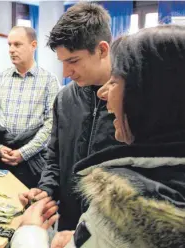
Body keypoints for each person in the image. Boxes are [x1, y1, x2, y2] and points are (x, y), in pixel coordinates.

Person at [13, 25, 185, 248]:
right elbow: (55, 156)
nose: (105, 93)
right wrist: (81, 233)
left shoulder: (127, 209)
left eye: (116, 82)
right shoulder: (65, 99)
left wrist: (29, 231)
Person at [20, 2, 121, 231]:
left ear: (103, 50)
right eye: (62, 62)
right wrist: (46, 190)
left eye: (73, 61)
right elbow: (55, 157)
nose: (66, 73)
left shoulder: (131, 99)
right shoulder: (65, 99)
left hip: (110, 231)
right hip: (68, 223)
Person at [0, 26, 59, 189]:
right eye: (9, 45)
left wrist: (23, 153)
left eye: (17, 44)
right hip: (0, 159)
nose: (11, 50)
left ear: (33, 45)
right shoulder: (1, 78)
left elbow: (51, 125)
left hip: (33, 163)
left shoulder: (49, 81)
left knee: (30, 208)